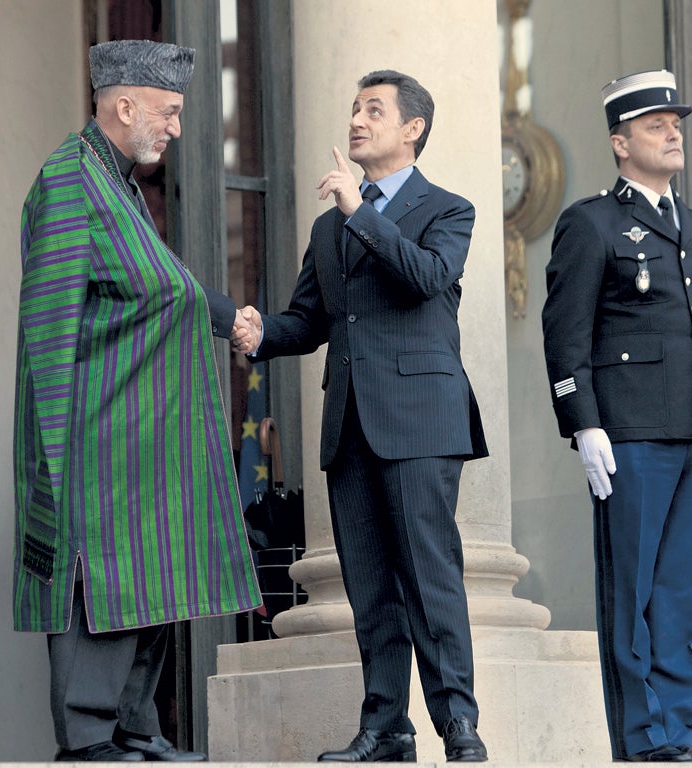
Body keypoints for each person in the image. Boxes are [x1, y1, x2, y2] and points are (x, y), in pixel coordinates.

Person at [14, 39, 262, 762]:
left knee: (155, 586)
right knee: (105, 591)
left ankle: (135, 730)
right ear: (125, 105)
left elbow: (162, 287)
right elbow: (48, 333)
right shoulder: (68, 180)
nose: (178, 129)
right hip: (97, 443)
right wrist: (53, 466)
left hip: (145, 440)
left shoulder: (115, 183)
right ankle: (90, 743)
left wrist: (227, 317)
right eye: (171, 112)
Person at [241, 70, 489, 763]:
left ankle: (458, 725)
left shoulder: (448, 208)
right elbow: (308, 321)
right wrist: (258, 333)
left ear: (412, 129)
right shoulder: (331, 227)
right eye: (353, 108)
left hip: (420, 419)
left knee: (430, 576)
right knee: (370, 586)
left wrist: (361, 213)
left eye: (373, 110)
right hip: (349, 422)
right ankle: (386, 727)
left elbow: (427, 278)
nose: (356, 120)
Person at [541, 70, 692, 763]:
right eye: (656, 125)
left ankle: (679, 734)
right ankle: (644, 740)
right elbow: (565, 333)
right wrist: (583, 422)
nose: (673, 132)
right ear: (621, 143)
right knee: (633, 593)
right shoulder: (591, 223)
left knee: (678, 596)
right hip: (630, 435)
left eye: (675, 122)